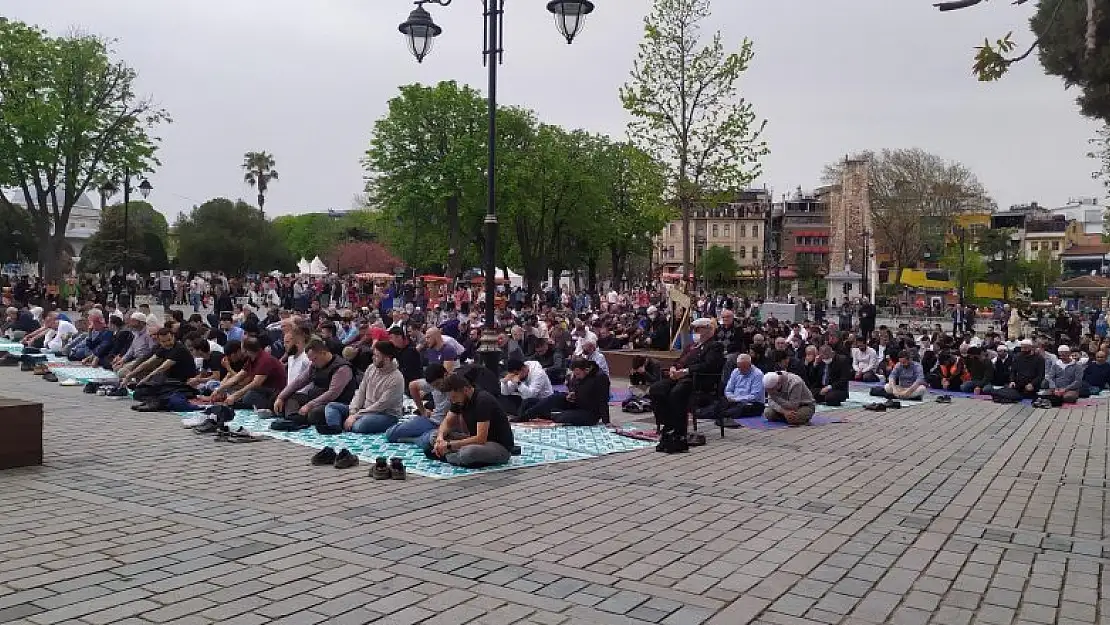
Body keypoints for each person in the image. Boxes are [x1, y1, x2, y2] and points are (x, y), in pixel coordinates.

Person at [648, 317, 724, 453]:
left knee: (677, 393)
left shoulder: (714, 346)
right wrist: (673, 367)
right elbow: (679, 360)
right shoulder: (691, 346)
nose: (695, 332)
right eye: (695, 329)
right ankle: (668, 424)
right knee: (656, 390)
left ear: (708, 330)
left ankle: (679, 431)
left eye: (698, 329)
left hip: (697, 379)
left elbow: (709, 365)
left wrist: (685, 371)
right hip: (679, 377)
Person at [424, 373, 515, 468]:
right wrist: (440, 439)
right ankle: (450, 454)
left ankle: (447, 456)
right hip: (475, 440)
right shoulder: (459, 400)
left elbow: (481, 438)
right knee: (434, 435)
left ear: (465, 390)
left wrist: (449, 446)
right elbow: (447, 422)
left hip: (498, 446)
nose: (453, 401)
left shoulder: (483, 400)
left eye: (454, 397)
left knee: (467, 453)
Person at [323, 340, 404, 434]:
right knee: (331, 406)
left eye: (377, 356)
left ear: (387, 359)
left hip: (385, 414)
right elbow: (361, 391)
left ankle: (341, 423)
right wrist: (353, 411)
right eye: (374, 354)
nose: (373, 358)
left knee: (361, 425)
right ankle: (335, 428)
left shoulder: (396, 378)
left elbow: (381, 405)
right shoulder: (371, 368)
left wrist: (356, 416)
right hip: (363, 410)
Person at [274, 338, 357, 422]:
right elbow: (298, 382)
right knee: (290, 398)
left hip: (335, 403)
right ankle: (293, 419)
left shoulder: (342, 368)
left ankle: (298, 418)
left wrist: (309, 405)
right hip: (315, 398)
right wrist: (281, 397)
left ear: (323, 353)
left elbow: (332, 393)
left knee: (315, 414)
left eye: (314, 359)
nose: (312, 363)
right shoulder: (314, 366)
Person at [517, 358, 610, 426]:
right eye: (575, 374)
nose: (576, 376)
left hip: (589, 412)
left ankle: (549, 413)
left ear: (587, 370)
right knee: (554, 397)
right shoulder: (578, 375)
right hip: (575, 402)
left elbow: (603, 400)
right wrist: (572, 394)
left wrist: (607, 421)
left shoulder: (600, 378)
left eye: (577, 374)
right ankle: (525, 416)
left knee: (561, 418)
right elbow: (575, 387)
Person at [211, 337, 287, 410]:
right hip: (263, 390)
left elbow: (255, 383)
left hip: (275, 392)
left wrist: (235, 396)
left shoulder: (265, 360)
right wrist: (218, 390)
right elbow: (238, 377)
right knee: (239, 392)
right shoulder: (252, 359)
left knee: (249, 395)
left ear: (245, 350)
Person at [718, 353, 765, 419]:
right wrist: (731, 397)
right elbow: (728, 389)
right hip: (735, 401)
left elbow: (755, 396)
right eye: (739, 367)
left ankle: (723, 414)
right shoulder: (735, 371)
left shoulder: (758, 374)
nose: (741, 370)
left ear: (750, 365)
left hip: (752, 403)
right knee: (720, 403)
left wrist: (736, 399)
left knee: (741, 409)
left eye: (744, 367)